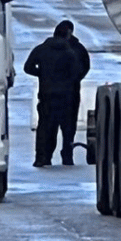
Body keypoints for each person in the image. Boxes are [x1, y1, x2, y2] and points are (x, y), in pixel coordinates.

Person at [24, 19, 91, 166]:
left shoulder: (42, 48)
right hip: (69, 96)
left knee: (46, 127)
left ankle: (42, 156)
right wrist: (73, 81)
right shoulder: (74, 50)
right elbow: (82, 68)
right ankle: (67, 155)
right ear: (69, 33)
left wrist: (42, 74)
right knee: (68, 128)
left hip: (47, 95)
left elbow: (27, 67)